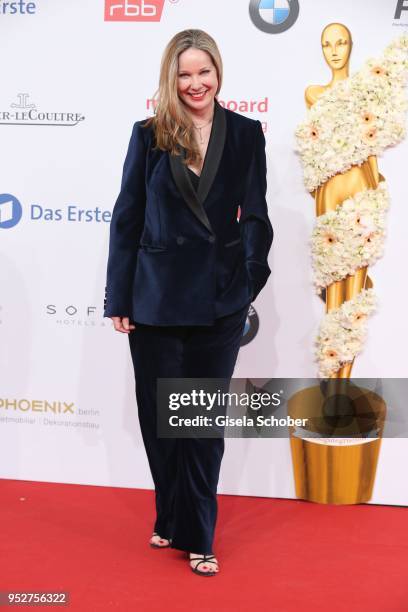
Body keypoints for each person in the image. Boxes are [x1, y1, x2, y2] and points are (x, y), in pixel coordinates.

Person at [104, 28, 273, 576]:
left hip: (219, 302)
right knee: (160, 420)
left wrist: (248, 278)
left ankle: (198, 533)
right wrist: (119, 296)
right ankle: (170, 514)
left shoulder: (246, 133)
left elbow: (257, 215)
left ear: (218, 72)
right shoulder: (149, 134)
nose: (196, 83)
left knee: (200, 422)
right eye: (185, 74)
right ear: (170, 79)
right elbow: (127, 218)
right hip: (154, 300)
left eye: (205, 72)